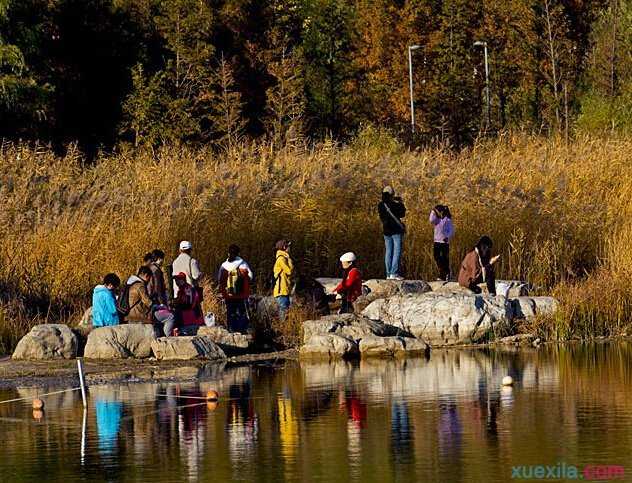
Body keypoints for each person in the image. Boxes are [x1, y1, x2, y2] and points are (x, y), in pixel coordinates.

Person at [127, 266, 175, 336]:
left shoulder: (131, 283)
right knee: (170, 316)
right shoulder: (140, 285)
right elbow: (147, 302)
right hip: (140, 315)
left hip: (131, 314)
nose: (149, 281)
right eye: (149, 278)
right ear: (146, 276)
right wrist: (160, 306)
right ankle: (167, 340)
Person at [218, 245, 254, 334]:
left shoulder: (223, 266)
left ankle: (232, 330)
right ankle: (242, 330)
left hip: (228, 295)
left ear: (228, 253)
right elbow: (251, 276)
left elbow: (219, 279)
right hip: (241, 294)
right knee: (242, 312)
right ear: (238, 253)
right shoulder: (243, 264)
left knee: (230, 312)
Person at [378, 186, 406, 280]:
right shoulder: (394, 204)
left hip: (386, 230)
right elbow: (402, 214)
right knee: (397, 251)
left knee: (388, 252)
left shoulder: (381, 205)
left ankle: (388, 273)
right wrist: (401, 202)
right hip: (396, 230)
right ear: (391, 194)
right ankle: (394, 272)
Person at [430, 205, 455, 281]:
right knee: (436, 257)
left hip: (444, 242)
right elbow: (431, 220)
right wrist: (433, 211)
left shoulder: (448, 220)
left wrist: (447, 237)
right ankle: (443, 272)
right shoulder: (437, 220)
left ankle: (445, 274)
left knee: (445, 258)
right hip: (437, 241)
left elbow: (451, 230)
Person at [273, 239, 294, 319]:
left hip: (284, 290)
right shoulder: (281, 259)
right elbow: (289, 271)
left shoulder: (283, 258)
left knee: (285, 310)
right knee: (283, 311)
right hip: (281, 291)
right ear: (284, 247)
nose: (290, 248)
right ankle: (282, 328)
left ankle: (283, 327)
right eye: (288, 246)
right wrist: (289, 259)